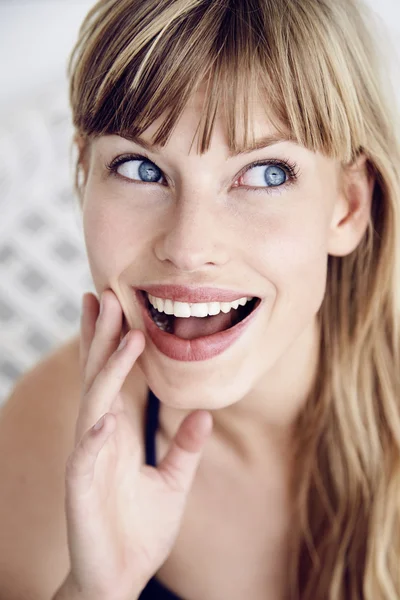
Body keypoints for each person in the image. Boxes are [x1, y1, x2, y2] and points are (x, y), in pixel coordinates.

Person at [1, 0, 400, 598]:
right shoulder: (55, 434)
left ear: (346, 206)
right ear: (84, 176)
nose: (188, 248)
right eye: (139, 168)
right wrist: (93, 590)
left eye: (264, 174)